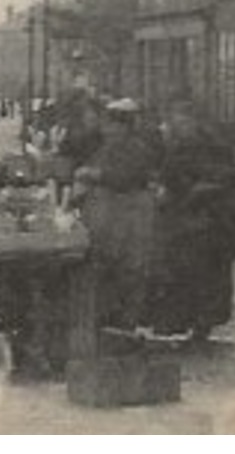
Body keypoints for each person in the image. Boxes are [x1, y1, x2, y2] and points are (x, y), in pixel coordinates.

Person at [148, 104, 235, 341]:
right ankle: (186, 320)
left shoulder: (214, 149)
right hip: (184, 218)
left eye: (182, 121)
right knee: (184, 270)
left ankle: (202, 321)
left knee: (204, 271)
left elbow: (227, 178)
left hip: (208, 218)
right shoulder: (177, 149)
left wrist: (202, 190)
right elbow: (169, 177)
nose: (178, 126)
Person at [75, 97, 159, 331]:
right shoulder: (108, 147)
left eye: (112, 125)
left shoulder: (136, 149)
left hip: (131, 213)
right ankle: (112, 315)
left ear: (124, 126)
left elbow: (125, 178)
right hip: (111, 214)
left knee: (131, 266)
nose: (107, 130)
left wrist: (95, 175)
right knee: (109, 261)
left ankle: (128, 319)